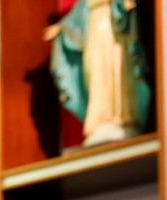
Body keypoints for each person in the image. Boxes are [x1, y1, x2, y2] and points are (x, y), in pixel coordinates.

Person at [44, 0, 150, 146]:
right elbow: (78, 15)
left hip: (114, 31)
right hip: (93, 34)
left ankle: (122, 118)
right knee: (96, 77)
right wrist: (61, 28)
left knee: (116, 71)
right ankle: (99, 120)